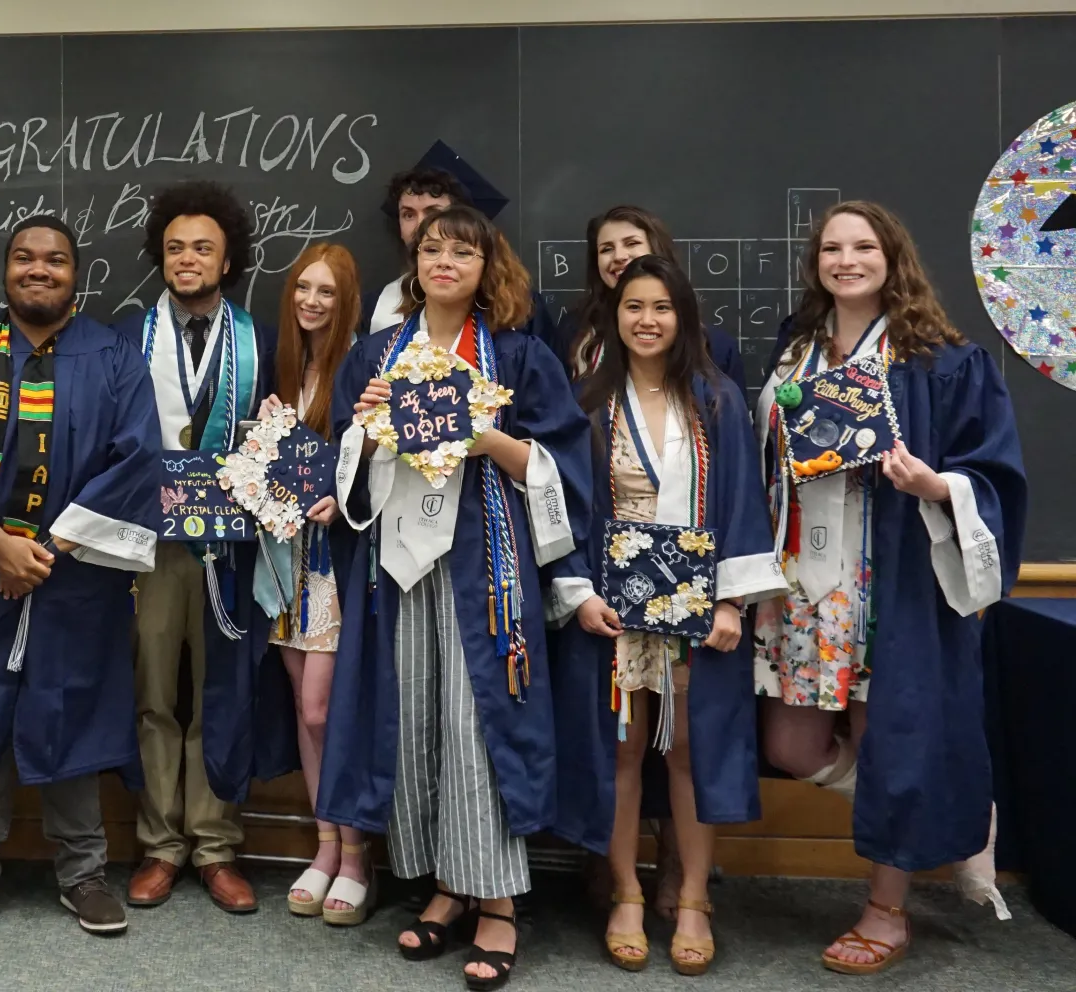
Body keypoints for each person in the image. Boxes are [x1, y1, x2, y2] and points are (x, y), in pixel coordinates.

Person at [749, 201, 1025, 974]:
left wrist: (936, 485)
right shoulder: (795, 349)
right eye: (832, 247)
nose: (846, 260)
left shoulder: (940, 358)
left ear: (891, 256)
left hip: (891, 579)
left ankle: (886, 909)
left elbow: (993, 470)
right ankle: (928, 808)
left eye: (863, 246)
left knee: (887, 736)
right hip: (804, 582)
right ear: (817, 263)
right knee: (791, 745)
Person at [321, 205, 591, 991]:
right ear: (414, 263)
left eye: (462, 251)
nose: (444, 261)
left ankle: (498, 900)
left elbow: (558, 465)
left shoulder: (518, 355)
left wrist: (483, 435)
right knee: (416, 718)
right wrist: (367, 431)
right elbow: (347, 469)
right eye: (432, 248)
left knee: (477, 724)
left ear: (486, 267)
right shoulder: (378, 354)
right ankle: (444, 883)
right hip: (400, 567)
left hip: (486, 568)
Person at [0, 216, 161, 940]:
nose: (38, 270)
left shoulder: (112, 357)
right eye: (23, 258)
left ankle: (83, 870)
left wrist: (47, 550)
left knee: (70, 708)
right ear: (4, 270)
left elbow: (135, 459)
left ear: (77, 275)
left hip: (75, 578)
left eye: (55, 260)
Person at [546, 255, 786, 975]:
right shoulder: (588, 401)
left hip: (697, 608)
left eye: (661, 307)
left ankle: (691, 899)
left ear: (683, 318)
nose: (646, 320)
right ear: (613, 318)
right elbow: (563, 507)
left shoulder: (713, 399)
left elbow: (744, 499)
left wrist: (732, 601)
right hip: (614, 611)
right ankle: (623, 891)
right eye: (632, 307)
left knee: (690, 751)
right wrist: (577, 591)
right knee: (621, 749)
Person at [112, 180, 276, 915]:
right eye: (175, 247)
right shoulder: (126, 338)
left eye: (202, 247)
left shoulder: (260, 339)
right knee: (152, 692)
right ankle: (159, 844)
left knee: (219, 690)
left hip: (230, 545)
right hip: (151, 542)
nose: (187, 259)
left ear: (227, 256)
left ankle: (214, 844)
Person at [263, 244, 368, 923]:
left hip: (335, 561)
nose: (312, 301)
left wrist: (340, 493)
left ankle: (357, 856)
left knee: (323, 711)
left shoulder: (361, 365)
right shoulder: (282, 368)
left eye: (327, 291)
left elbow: (379, 459)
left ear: (347, 298)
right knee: (301, 703)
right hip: (282, 562)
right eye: (304, 287)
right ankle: (324, 845)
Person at [358, 144, 554, 344]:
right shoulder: (376, 306)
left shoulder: (520, 305)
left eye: (432, 212)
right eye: (408, 214)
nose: (419, 226)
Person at [553, 206, 745, 389]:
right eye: (606, 249)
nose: (619, 256)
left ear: (657, 249)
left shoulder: (715, 347)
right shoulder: (574, 332)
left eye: (632, 243)